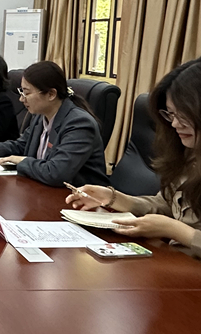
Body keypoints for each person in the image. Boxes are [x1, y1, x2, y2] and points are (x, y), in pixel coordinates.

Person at [66, 58, 201, 258]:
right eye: (171, 114)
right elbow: (167, 204)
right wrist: (114, 198)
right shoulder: (189, 151)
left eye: (183, 115)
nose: (174, 124)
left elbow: (174, 224)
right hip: (173, 260)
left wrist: (176, 231)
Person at [0, 61, 109, 187]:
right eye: (21, 91)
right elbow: (21, 145)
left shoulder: (79, 124)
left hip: (79, 199)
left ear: (51, 94)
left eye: (27, 93)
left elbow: (56, 172)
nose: (21, 99)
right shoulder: (41, 116)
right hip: (43, 189)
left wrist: (22, 161)